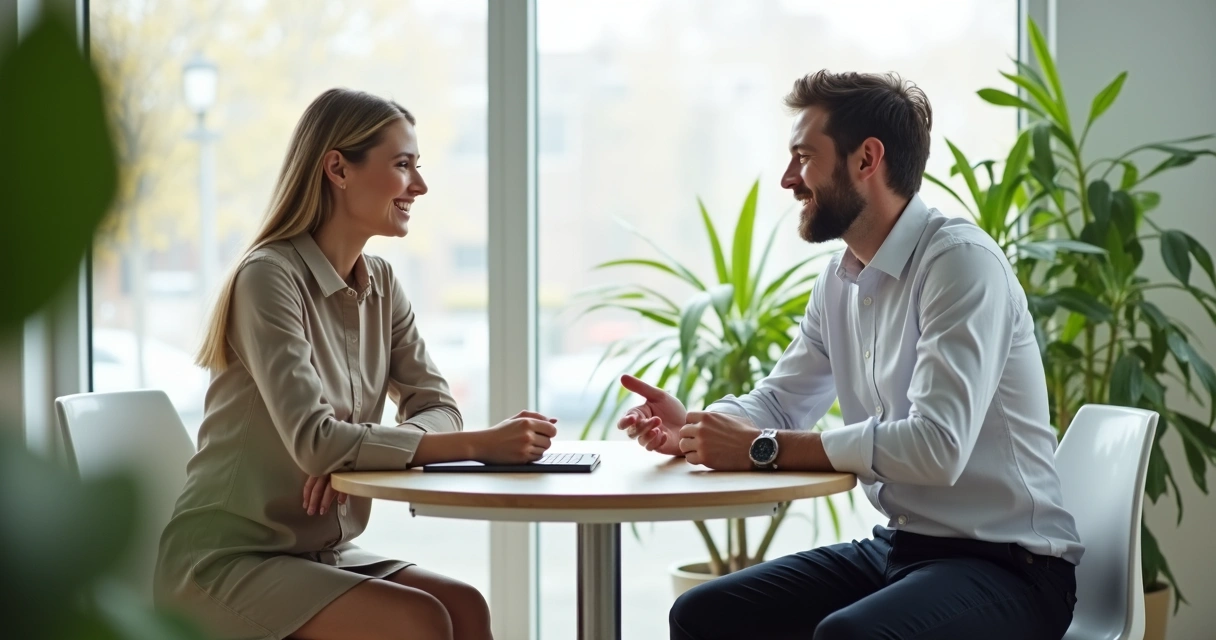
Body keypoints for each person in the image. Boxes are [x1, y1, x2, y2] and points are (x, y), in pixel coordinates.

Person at [617, 70, 1082, 640]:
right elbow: (781, 403)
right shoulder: (838, 282)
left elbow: (937, 448)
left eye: (803, 157)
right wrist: (696, 429)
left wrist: (763, 448)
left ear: (867, 159)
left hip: (1012, 567)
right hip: (902, 548)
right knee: (702, 616)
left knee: (849, 637)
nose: (789, 179)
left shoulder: (959, 263)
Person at [154, 88, 558, 640]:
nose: (419, 186)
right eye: (403, 165)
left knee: (466, 607)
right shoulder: (268, 278)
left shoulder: (382, 283)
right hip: (229, 561)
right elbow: (317, 442)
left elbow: (438, 406)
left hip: (320, 552)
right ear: (339, 169)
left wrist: (355, 449)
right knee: (419, 621)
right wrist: (477, 445)